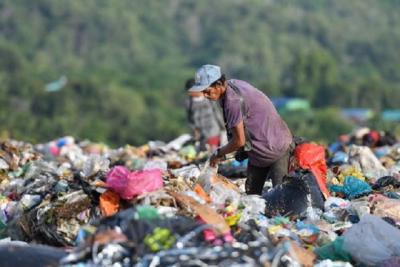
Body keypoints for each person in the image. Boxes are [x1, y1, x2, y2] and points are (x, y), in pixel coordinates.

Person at [188, 64, 293, 195]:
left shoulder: (232, 101)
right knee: (252, 196)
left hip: (276, 147)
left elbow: (239, 141)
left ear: (219, 84)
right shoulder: (232, 85)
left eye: (207, 91)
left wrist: (218, 154)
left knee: (281, 198)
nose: (205, 95)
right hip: (260, 150)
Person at [185, 78, 226, 152]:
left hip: (213, 132)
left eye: (190, 91)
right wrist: (194, 129)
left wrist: (223, 127)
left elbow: (217, 113)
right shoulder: (189, 103)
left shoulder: (208, 98)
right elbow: (189, 119)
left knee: (215, 153)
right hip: (201, 136)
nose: (189, 94)